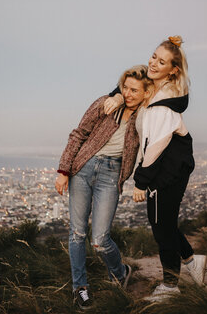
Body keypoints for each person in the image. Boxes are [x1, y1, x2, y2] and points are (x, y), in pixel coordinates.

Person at [105, 36, 207, 302]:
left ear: (173, 69)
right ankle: (192, 261)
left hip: (167, 169)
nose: (153, 63)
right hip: (168, 168)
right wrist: (116, 96)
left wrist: (141, 181)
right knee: (164, 222)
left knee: (161, 227)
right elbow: (130, 83)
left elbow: (157, 144)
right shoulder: (155, 90)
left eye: (161, 61)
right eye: (153, 56)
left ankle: (171, 286)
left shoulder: (165, 102)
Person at [55, 65, 153, 310]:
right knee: (77, 233)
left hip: (111, 174)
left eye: (134, 90)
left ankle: (120, 271)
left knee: (99, 239)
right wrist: (63, 170)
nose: (128, 94)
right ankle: (80, 287)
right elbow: (79, 134)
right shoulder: (105, 104)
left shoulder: (146, 116)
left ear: (146, 92)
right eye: (125, 88)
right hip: (84, 167)